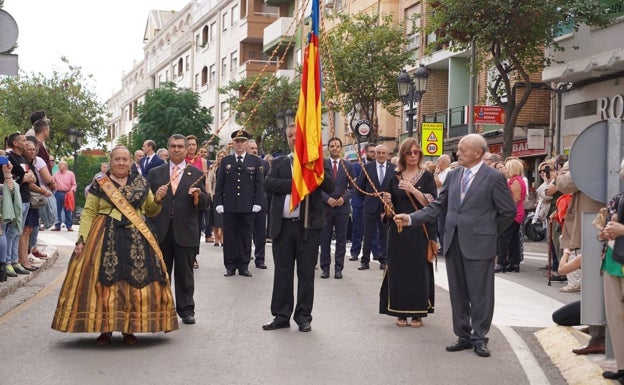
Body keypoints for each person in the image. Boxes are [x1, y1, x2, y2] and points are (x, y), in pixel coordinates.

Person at [394, 134, 516, 358]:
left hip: (480, 244)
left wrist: (487, 231)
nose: (457, 153)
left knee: (480, 294)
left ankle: (480, 337)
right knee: (458, 293)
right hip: (453, 242)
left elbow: (508, 211)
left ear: (477, 153)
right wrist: (411, 219)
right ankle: (463, 335)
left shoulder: (493, 177)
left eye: (462, 150)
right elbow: (438, 206)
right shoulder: (454, 174)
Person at [51, 145, 178, 345]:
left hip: (136, 236)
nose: (121, 163)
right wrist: (82, 239)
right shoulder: (100, 182)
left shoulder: (141, 182)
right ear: (110, 162)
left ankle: (131, 328)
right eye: (117, 159)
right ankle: (105, 329)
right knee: (102, 283)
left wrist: (160, 199)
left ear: (130, 162)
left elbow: (151, 211)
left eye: (124, 159)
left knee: (135, 282)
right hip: (103, 235)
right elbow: (89, 212)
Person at [262, 123, 334, 332]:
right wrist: (297, 184)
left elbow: (331, 187)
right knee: (282, 272)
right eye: (290, 135)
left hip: (308, 226)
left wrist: (315, 172)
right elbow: (269, 185)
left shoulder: (318, 162)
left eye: (297, 135)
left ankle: (303, 316)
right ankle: (281, 315)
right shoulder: (279, 163)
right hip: (283, 227)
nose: (294, 138)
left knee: (305, 273)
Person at [147, 134, 210, 325]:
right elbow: (146, 203)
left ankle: (186, 310)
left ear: (186, 150)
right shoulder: (155, 173)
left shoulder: (196, 173)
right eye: (173, 146)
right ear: (168, 148)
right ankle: (161, 307)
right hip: (161, 230)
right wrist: (156, 198)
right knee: (161, 272)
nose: (177, 149)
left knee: (185, 273)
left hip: (186, 230)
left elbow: (207, 203)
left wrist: (198, 196)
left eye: (180, 146)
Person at [380, 138, 436, 327]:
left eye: (416, 152)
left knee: (418, 270)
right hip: (399, 231)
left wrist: (413, 190)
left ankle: (418, 312)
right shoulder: (394, 178)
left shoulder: (427, 176)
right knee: (399, 270)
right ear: (403, 155)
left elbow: (432, 205)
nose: (413, 155)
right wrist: (387, 203)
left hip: (419, 230)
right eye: (409, 152)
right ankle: (400, 312)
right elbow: (389, 212)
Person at [214, 129, 265, 277]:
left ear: (247, 143)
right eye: (237, 141)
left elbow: (259, 184)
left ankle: (243, 265)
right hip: (229, 205)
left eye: (243, 141)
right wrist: (218, 202)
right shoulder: (226, 161)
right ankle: (230, 265)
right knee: (229, 236)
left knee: (245, 236)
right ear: (233, 144)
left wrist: (257, 202)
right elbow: (220, 184)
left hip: (247, 205)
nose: (240, 144)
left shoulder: (255, 161)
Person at [598, 162, 624, 381]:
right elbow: (606, 227)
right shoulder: (618, 198)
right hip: (612, 262)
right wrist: (606, 232)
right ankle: (622, 367)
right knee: (615, 318)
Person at [320, 137, 354, 279]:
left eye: (337, 146)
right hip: (326, 207)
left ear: (341, 148)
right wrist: (327, 199)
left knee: (341, 240)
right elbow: (316, 186)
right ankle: (325, 268)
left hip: (342, 208)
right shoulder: (322, 164)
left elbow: (353, 188)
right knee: (325, 239)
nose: (335, 148)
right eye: (332, 145)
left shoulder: (348, 165)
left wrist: (344, 199)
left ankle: (339, 268)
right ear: (328, 148)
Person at [3, 132, 36, 275]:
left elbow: (32, 177)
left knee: (18, 232)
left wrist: (26, 177)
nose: (26, 142)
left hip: (26, 198)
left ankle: (15, 260)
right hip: (16, 199)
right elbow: (23, 176)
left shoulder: (23, 157)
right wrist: (25, 177)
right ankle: (7, 261)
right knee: (11, 232)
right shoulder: (10, 157)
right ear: (15, 143)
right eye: (23, 140)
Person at [356, 144, 393, 270]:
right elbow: (359, 187)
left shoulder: (393, 168)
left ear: (387, 155)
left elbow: (395, 187)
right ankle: (365, 261)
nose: (381, 155)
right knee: (368, 235)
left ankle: (384, 260)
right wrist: (369, 197)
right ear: (375, 154)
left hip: (386, 208)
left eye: (384, 153)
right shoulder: (367, 167)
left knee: (384, 236)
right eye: (379, 153)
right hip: (370, 206)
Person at [495, 158, 526, 273]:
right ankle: (514, 263)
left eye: (507, 168)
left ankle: (501, 263)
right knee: (513, 239)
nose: (505, 170)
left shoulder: (515, 181)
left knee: (503, 238)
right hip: (517, 213)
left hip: (513, 214)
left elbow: (516, 198)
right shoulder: (516, 180)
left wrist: (506, 209)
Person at [185, 135, 210, 269]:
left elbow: (205, 181)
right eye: (189, 144)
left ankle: (194, 255)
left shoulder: (203, 161)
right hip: (185, 198)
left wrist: (206, 196)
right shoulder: (183, 161)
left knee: (197, 227)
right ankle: (188, 255)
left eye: (194, 144)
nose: (191, 147)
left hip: (198, 197)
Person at [247, 139, 269, 269]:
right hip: (246, 202)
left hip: (261, 202)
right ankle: (245, 257)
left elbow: (268, 181)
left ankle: (260, 258)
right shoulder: (243, 163)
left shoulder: (264, 164)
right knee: (246, 232)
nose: (255, 150)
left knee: (260, 233)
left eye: (255, 148)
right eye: (252, 148)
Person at [207, 150, 227, 247]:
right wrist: (210, 194)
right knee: (215, 218)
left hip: (226, 196)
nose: (221, 158)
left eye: (223, 156)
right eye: (219, 156)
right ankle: (216, 238)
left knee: (224, 218)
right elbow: (209, 181)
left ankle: (222, 237)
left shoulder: (228, 167)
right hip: (215, 195)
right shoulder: (213, 167)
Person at [51, 160, 77, 231]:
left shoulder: (70, 174)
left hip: (67, 193)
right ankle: (57, 226)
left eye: (61, 165)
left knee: (68, 210)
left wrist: (72, 190)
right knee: (57, 210)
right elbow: (52, 182)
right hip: (58, 193)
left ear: (65, 166)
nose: (59, 166)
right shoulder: (56, 174)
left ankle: (69, 226)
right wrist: (53, 185)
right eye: (59, 165)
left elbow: (74, 184)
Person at [433, 154, 451, 252]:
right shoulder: (442, 172)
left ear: (442, 162)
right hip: (438, 200)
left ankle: (444, 247)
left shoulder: (448, 172)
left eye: (438, 161)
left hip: (444, 203)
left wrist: (435, 174)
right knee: (439, 226)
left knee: (442, 226)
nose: (437, 164)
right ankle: (442, 247)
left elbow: (438, 183)